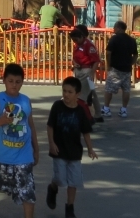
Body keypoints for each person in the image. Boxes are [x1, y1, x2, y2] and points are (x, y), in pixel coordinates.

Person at [0, 63, 39, 218]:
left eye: (18, 81)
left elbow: (31, 126)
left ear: (22, 82)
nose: (14, 85)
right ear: (4, 80)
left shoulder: (26, 100)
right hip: (2, 155)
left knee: (28, 190)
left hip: (24, 155)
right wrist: (1, 121)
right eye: (11, 81)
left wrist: (36, 149)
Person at [46, 76, 97, 217]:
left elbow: (85, 132)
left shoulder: (80, 112)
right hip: (58, 150)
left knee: (73, 182)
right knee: (60, 178)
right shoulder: (57, 106)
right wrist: (51, 143)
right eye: (64, 91)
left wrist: (90, 148)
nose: (66, 94)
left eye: (70, 92)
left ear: (78, 94)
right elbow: (50, 126)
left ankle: (70, 207)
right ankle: (52, 188)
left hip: (74, 152)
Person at [102, 20, 138, 119]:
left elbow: (108, 53)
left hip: (115, 68)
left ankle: (106, 108)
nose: (113, 29)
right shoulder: (132, 40)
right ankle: (124, 110)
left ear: (119, 28)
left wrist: (109, 65)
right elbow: (135, 54)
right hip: (127, 69)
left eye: (114, 27)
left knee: (109, 88)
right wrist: (131, 63)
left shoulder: (114, 39)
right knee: (126, 89)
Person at [69, 25, 103, 123]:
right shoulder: (77, 45)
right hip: (78, 71)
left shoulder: (89, 45)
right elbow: (74, 58)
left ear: (82, 35)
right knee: (92, 93)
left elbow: (96, 61)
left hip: (87, 72)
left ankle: (87, 117)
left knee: (81, 95)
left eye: (76, 39)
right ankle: (98, 114)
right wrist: (74, 63)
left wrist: (92, 73)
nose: (75, 41)